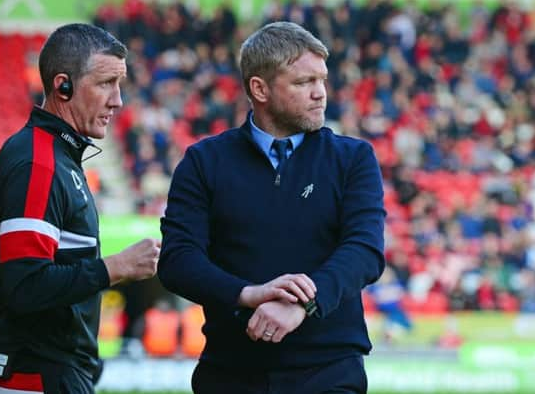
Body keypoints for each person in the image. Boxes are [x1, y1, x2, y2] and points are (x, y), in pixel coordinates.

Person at [158, 21, 386, 394]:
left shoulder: (353, 158)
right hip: (230, 372)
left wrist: (303, 306)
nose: (320, 94)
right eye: (303, 83)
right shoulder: (204, 161)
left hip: (329, 371)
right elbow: (178, 260)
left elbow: (364, 251)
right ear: (259, 89)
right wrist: (249, 294)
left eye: (321, 80)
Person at [0, 23, 160, 394]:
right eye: (106, 82)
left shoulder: (57, 158)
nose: (118, 99)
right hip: (30, 375)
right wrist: (115, 268)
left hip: (49, 369)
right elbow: (25, 286)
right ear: (63, 86)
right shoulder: (38, 163)